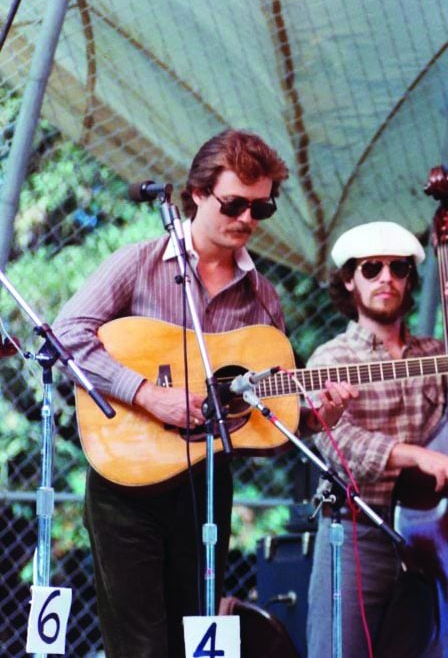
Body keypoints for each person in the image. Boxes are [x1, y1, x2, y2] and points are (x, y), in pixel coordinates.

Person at [54, 129, 290, 658]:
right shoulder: (138, 262)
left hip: (206, 485)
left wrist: (319, 417)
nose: (248, 220)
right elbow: (66, 336)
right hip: (125, 483)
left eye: (261, 209)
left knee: (197, 639)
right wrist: (145, 393)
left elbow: (272, 412)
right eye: (235, 204)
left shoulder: (261, 297)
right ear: (199, 193)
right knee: (139, 647)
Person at [304, 220, 448, 658]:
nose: (386, 278)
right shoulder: (331, 357)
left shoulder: (438, 353)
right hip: (359, 531)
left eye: (398, 268)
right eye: (371, 269)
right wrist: (416, 457)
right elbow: (333, 440)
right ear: (349, 280)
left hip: (437, 534)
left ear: (409, 279)